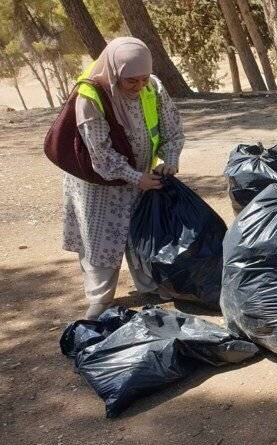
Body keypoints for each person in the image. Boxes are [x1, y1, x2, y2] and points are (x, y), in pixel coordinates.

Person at [62, 37, 185, 320]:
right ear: (115, 72)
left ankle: (150, 285)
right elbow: (101, 154)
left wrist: (169, 160)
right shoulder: (90, 96)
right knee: (101, 238)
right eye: (131, 81)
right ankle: (100, 298)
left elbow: (172, 130)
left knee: (141, 229)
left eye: (143, 79)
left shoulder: (153, 86)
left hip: (141, 176)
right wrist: (134, 176)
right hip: (98, 184)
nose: (139, 86)